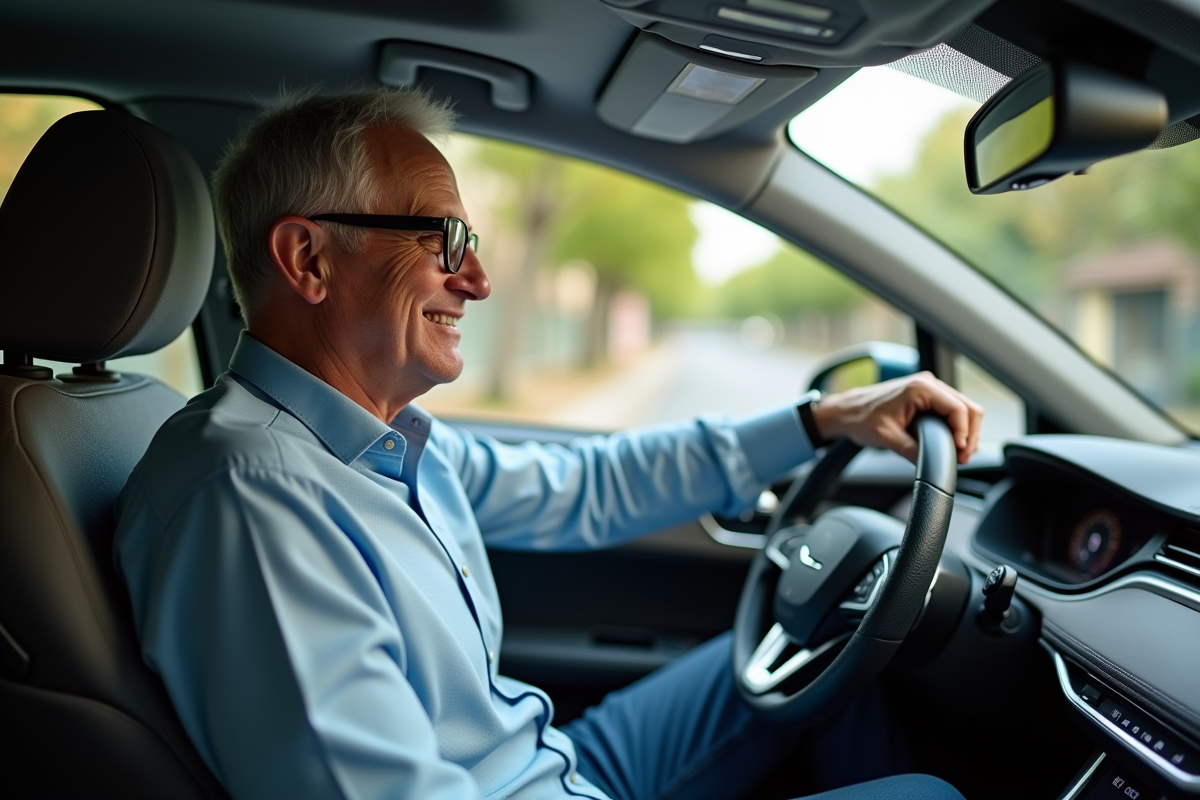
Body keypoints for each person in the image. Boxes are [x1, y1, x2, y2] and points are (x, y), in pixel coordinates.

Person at [114, 88, 982, 800]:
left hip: (554, 764)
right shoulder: (252, 496)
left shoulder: (379, 443)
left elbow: (588, 484)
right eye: (445, 240)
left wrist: (821, 421)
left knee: (817, 640)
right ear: (308, 259)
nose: (478, 280)